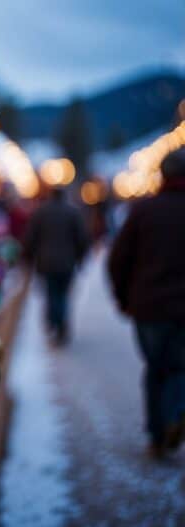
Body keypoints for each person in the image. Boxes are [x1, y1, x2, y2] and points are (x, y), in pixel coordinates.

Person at [109, 147, 185, 457]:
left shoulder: (143, 211)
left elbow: (118, 260)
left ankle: (157, 435)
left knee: (155, 368)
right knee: (180, 367)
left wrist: (123, 298)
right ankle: (176, 413)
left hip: (149, 307)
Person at [23, 186, 90, 345]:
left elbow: (31, 237)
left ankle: (55, 321)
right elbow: (82, 238)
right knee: (63, 294)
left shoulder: (41, 212)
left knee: (52, 293)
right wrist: (80, 258)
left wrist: (28, 258)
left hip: (46, 262)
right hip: (67, 262)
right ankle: (60, 323)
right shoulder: (73, 212)